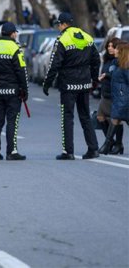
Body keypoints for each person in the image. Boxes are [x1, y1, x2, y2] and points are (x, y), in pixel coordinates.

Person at [42, 12, 101, 160]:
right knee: (85, 116)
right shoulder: (87, 37)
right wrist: (94, 80)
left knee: (67, 117)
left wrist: (47, 84)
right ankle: (93, 149)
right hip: (85, 83)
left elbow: (54, 65)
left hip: (68, 84)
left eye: (58, 25)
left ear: (62, 24)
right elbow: (96, 60)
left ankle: (68, 152)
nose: (58, 27)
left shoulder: (62, 39)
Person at [0, 22, 29, 161]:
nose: (16, 35)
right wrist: (24, 90)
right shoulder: (15, 48)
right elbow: (21, 71)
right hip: (12, 91)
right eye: (15, 33)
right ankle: (11, 152)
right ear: (12, 33)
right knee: (12, 121)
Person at [99, 42, 129, 154]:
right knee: (115, 119)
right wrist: (106, 75)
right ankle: (110, 144)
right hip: (119, 98)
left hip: (124, 98)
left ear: (122, 52)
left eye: (116, 49)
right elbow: (117, 77)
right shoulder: (117, 64)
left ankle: (108, 144)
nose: (114, 51)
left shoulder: (126, 66)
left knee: (115, 118)